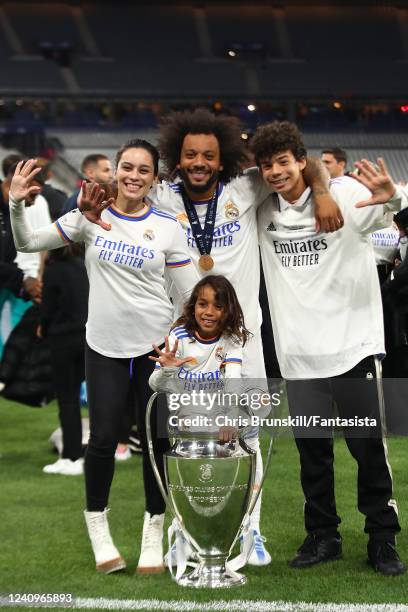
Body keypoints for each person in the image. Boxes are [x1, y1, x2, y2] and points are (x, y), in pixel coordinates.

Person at [8, 140, 199, 575]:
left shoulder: (168, 226)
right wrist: (18, 204)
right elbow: (29, 239)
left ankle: (154, 529)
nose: (133, 175)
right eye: (126, 167)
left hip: (154, 352)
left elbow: (189, 295)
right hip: (104, 348)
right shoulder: (89, 217)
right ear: (114, 171)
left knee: (157, 443)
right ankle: (99, 528)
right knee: (102, 439)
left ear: (154, 178)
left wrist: (179, 344)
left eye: (143, 170)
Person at [254, 120, 405, 576]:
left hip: (352, 347)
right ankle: (323, 536)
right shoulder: (261, 210)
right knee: (312, 455)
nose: (276, 172)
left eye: (283, 161)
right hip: (298, 355)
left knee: (368, 451)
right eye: (267, 165)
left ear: (302, 160)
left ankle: (382, 538)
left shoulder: (341, 194)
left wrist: (392, 199)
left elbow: (387, 209)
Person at [149, 275, 266, 566]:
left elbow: (233, 379)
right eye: (203, 304)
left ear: (228, 310)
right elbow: (155, 385)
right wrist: (166, 369)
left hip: (223, 415)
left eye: (217, 306)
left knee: (251, 430)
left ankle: (251, 531)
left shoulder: (232, 338)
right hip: (190, 422)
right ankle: (181, 535)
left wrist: (230, 418)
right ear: (193, 306)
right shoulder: (178, 337)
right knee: (184, 467)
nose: (209, 312)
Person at [40, 243, 89, 476]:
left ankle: (72, 456)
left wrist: (43, 327)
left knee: (67, 400)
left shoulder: (53, 269)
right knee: (98, 400)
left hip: (63, 340)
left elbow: (47, 308)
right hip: (88, 338)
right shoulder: (86, 266)